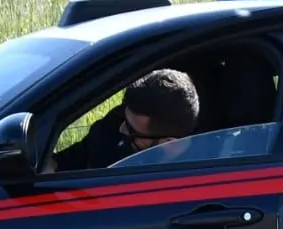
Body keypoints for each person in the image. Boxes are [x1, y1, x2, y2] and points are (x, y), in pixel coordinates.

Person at [53, 68, 198, 170]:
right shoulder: (113, 125)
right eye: (123, 116)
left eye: (131, 129)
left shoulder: (196, 179)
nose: (121, 128)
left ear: (169, 144)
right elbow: (63, 162)